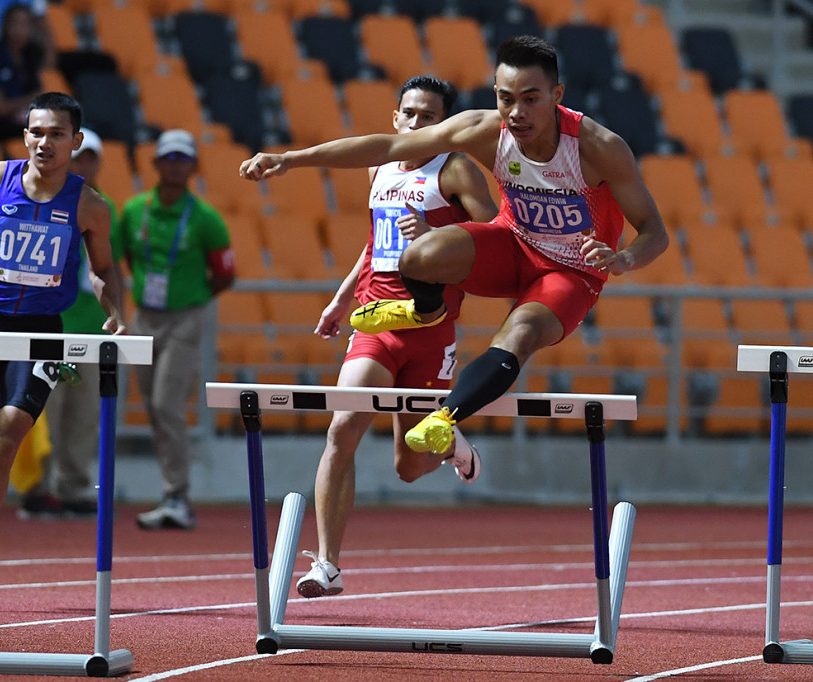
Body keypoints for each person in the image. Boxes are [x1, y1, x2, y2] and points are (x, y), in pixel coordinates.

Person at [241, 34, 668, 508]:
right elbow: (387, 145)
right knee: (420, 255)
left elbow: (655, 231)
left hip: (570, 271)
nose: (517, 114)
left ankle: (447, 420)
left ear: (557, 96)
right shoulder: (483, 130)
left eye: (531, 100)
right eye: (506, 99)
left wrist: (623, 258)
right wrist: (290, 159)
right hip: (514, 245)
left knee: (521, 332)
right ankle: (422, 311)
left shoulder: (599, 147)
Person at [0, 92, 125, 610]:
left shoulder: (90, 206)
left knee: (5, 439)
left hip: (42, 334)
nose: (44, 142)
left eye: (57, 134)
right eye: (37, 132)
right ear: (25, 136)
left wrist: (115, 308)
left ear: (75, 142)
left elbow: (102, 270)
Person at [294, 76, 498, 598]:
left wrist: (435, 239)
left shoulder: (454, 170)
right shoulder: (379, 167)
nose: (415, 124)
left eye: (428, 117)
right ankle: (328, 565)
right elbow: (373, 243)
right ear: (394, 118)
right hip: (375, 321)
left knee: (409, 465)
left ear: (445, 125)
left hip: (431, 328)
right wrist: (342, 299)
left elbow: (497, 244)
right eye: (408, 114)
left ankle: (449, 439)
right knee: (343, 428)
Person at [114, 129, 236, 530]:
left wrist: (195, 296)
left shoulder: (205, 218)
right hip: (144, 316)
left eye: (183, 159)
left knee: (167, 403)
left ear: (193, 167)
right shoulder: (134, 210)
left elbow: (225, 272)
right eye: (169, 158)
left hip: (184, 317)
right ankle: (171, 495)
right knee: (152, 406)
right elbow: (118, 259)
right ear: (156, 164)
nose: (176, 165)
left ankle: (178, 494)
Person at [19, 127, 113, 518]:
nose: (83, 165)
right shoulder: (41, 203)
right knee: (43, 412)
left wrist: (119, 315)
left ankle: (74, 488)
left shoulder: (103, 207)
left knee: (84, 417)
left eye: (91, 158)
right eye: (79, 157)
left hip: (92, 330)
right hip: (50, 327)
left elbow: (112, 268)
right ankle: (36, 489)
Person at [0, 2, 44, 141]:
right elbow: (0, 109)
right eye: (15, 23)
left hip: (21, 122)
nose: (19, 30)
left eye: (25, 25)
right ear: (5, 25)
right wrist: (33, 98)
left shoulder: (31, 58)